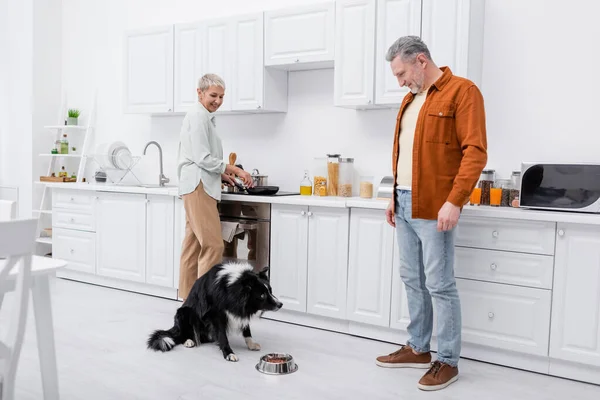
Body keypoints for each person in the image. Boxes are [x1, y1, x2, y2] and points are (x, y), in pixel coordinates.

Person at [375, 36, 487, 391]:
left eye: (402, 73)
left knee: (440, 284)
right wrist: (394, 195)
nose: (400, 82)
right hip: (405, 202)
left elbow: (475, 152)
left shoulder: (462, 92)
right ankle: (419, 348)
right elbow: (404, 155)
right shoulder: (410, 101)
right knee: (412, 279)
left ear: (421, 60)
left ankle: (447, 360)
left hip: (436, 205)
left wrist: (455, 200)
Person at [176, 73, 253, 301]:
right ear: (199, 93)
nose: (217, 100)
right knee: (212, 245)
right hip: (198, 187)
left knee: (193, 247)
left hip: (197, 185)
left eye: (221, 96)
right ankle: (204, 305)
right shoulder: (199, 117)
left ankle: (188, 305)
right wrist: (235, 170)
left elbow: (202, 158)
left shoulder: (203, 117)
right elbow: (202, 157)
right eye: (213, 95)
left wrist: (222, 175)